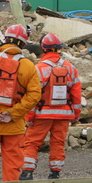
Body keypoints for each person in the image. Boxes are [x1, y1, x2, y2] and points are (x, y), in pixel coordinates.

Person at [0, 24, 42, 183]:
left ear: (4, 39)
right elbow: (34, 95)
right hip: (14, 127)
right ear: (23, 44)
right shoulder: (28, 66)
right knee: (12, 166)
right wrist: (12, 114)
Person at [19, 33, 82, 180]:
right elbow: (76, 95)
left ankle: (27, 172)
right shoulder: (70, 68)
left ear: (43, 48)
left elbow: (32, 96)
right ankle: (55, 173)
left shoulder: (38, 69)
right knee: (58, 143)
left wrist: (29, 116)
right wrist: (76, 114)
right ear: (59, 48)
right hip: (63, 114)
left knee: (32, 143)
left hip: (42, 114)